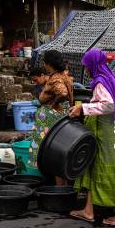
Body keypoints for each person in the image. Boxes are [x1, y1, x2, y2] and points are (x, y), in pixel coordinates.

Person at [69, 49, 115, 226]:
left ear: (93, 66)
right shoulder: (111, 77)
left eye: (87, 66)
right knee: (95, 167)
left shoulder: (100, 82)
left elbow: (108, 106)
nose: (86, 70)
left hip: (110, 130)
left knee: (107, 171)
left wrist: (83, 109)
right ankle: (88, 211)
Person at [29, 51, 74, 185]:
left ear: (49, 64)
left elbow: (62, 93)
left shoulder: (55, 78)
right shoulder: (64, 76)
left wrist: (53, 104)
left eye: (45, 63)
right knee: (60, 152)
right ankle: (62, 186)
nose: (45, 66)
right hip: (61, 119)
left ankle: (59, 188)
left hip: (53, 121)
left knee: (52, 152)